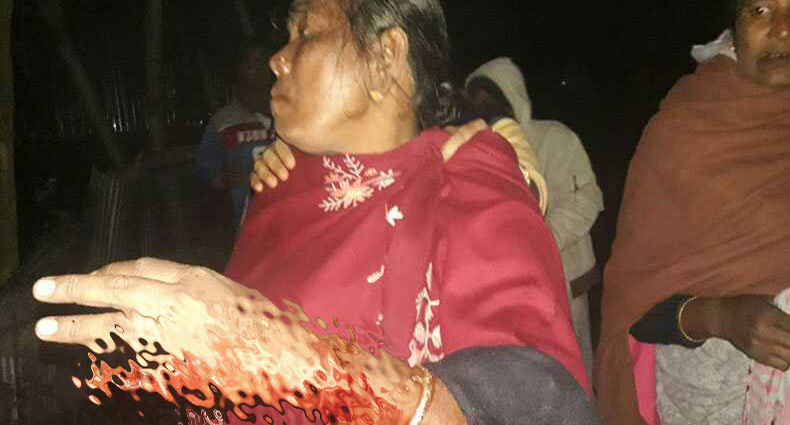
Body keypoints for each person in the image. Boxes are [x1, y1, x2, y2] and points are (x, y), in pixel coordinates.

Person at [32, 0, 598, 424]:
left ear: (386, 55)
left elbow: (538, 398)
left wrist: (270, 349)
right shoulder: (278, 185)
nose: (277, 58)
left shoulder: (459, 170)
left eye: (305, 31)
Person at [595, 0, 790, 423]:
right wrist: (722, 316)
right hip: (712, 403)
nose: (781, 28)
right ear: (734, 26)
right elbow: (634, 309)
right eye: (759, 10)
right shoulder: (685, 130)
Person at [465, 58, 604, 379]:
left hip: (567, 279)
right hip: (511, 291)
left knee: (575, 370)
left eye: (489, 97)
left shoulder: (555, 138)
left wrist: (541, 239)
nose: (483, 107)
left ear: (510, 95)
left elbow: (589, 197)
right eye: (476, 99)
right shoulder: (477, 152)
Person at [197, 39, 276, 229]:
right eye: (250, 64)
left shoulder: (292, 114)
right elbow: (205, 170)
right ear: (238, 71)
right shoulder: (223, 121)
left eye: (262, 61)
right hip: (247, 224)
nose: (258, 69)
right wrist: (223, 179)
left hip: (292, 220)